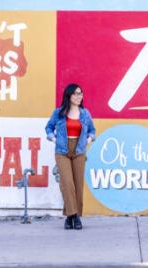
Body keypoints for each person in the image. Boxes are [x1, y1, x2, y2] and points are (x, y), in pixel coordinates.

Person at [45, 83, 95, 230]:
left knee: (78, 185)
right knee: (67, 184)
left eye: (81, 93)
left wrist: (89, 140)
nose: (79, 96)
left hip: (79, 150)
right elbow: (49, 127)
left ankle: (72, 217)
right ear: (69, 96)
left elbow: (92, 130)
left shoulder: (85, 113)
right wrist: (53, 138)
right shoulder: (59, 112)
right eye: (76, 93)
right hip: (62, 150)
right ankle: (73, 216)